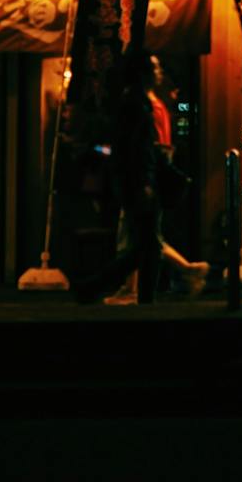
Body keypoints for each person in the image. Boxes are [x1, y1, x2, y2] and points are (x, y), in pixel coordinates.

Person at [105, 56, 210, 303]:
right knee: (144, 234)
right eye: (155, 68)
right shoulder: (154, 105)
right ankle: (183, 271)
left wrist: (143, 177)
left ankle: (135, 287)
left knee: (136, 234)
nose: (159, 72)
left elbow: (149, 146)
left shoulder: (145, 106)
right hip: (149, 175)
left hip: (143, 177)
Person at [73, 60, 163, 303]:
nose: (159, 73)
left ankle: (103, 288)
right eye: (154, 69)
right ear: (143, 75)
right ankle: (96, 286)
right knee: (147, 245)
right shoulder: (136, 106)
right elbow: (135, 149)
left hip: (131, 180)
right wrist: (145, 180)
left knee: (145, 245)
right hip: (137, 181)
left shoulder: (131, 103)